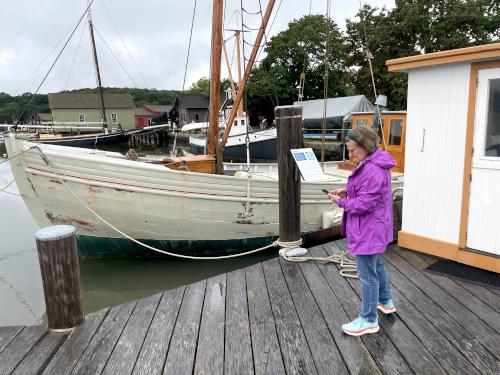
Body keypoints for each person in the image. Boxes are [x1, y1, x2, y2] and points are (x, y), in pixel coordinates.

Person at [328, 126, 397, 336]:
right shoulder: (373, 162)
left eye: (352, 150)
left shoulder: (372, 169)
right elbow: (367, 191)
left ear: (365, 146)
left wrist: (341, 202)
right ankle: (385, 301)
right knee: (376, 264)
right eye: (348, 151)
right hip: (375, 227)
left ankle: (368, 319)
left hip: (369, 229)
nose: (350, 155)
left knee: (366, 274)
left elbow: (363, 205)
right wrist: (346, 190)